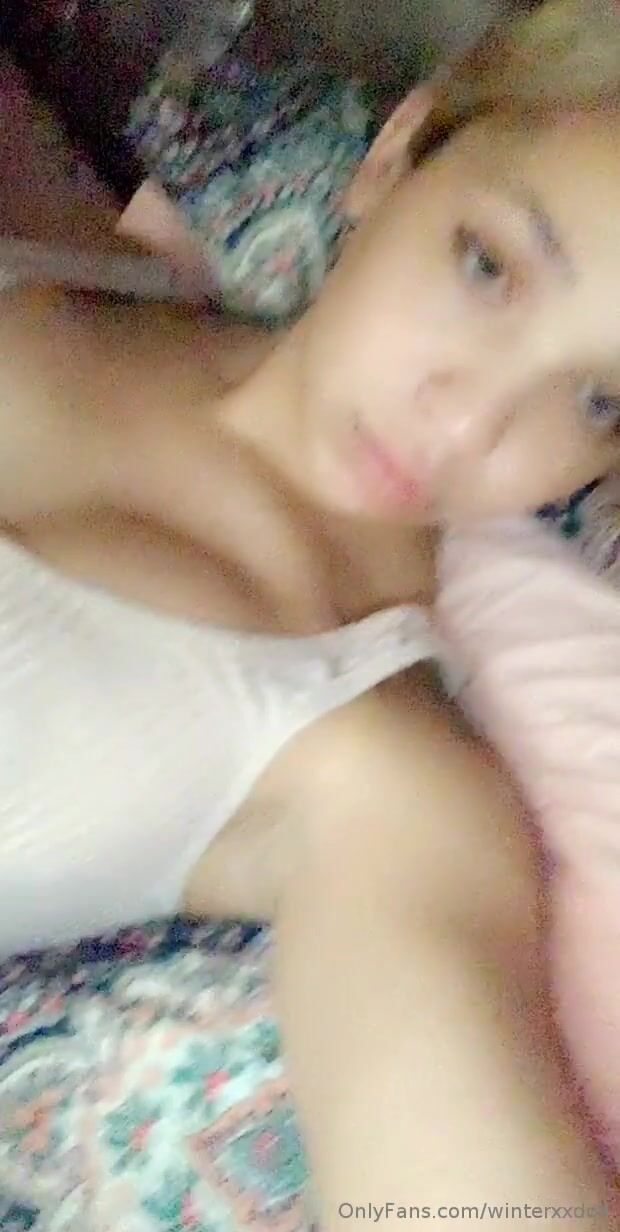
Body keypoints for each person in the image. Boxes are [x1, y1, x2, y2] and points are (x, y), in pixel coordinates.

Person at [0, 0, 619, 1222]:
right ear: (392, 159)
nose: (466, 420)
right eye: (487, 266)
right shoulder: (105, 283)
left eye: (599, 398)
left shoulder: (380, 770)